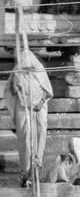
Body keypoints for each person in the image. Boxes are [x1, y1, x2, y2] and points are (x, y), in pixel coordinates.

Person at [4, 45, 52, 186]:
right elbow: (11, 92)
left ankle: (36, 168)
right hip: (23, 108)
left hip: (39, 109)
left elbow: (48, 91)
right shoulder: (17, 72)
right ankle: (25, 172)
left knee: (39, 135)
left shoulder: (39, 70)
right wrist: (15, 85)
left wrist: (40, 103)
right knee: (25, 139)